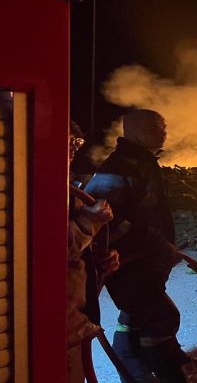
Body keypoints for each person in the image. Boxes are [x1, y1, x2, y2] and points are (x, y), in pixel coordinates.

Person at [84, 109, 189, 383]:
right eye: (153, 128)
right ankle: (164, 375)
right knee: (161, 317)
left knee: (134, 317)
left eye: (163, 127)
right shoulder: (120, 166)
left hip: (146, 261)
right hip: (128, 262)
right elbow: (102, 219)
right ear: (130, 131)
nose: (162, 133)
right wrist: (154, 241)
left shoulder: (142, 161)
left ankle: (134, 374)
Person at [67, 121, 118, 383]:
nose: (72, 149)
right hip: (52, 324)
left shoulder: (65, 188)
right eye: (68, 142)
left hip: (73, 321)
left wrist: (98, 262)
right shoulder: (26, 187)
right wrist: (90, 222)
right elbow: (42, 249)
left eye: (77, 143)